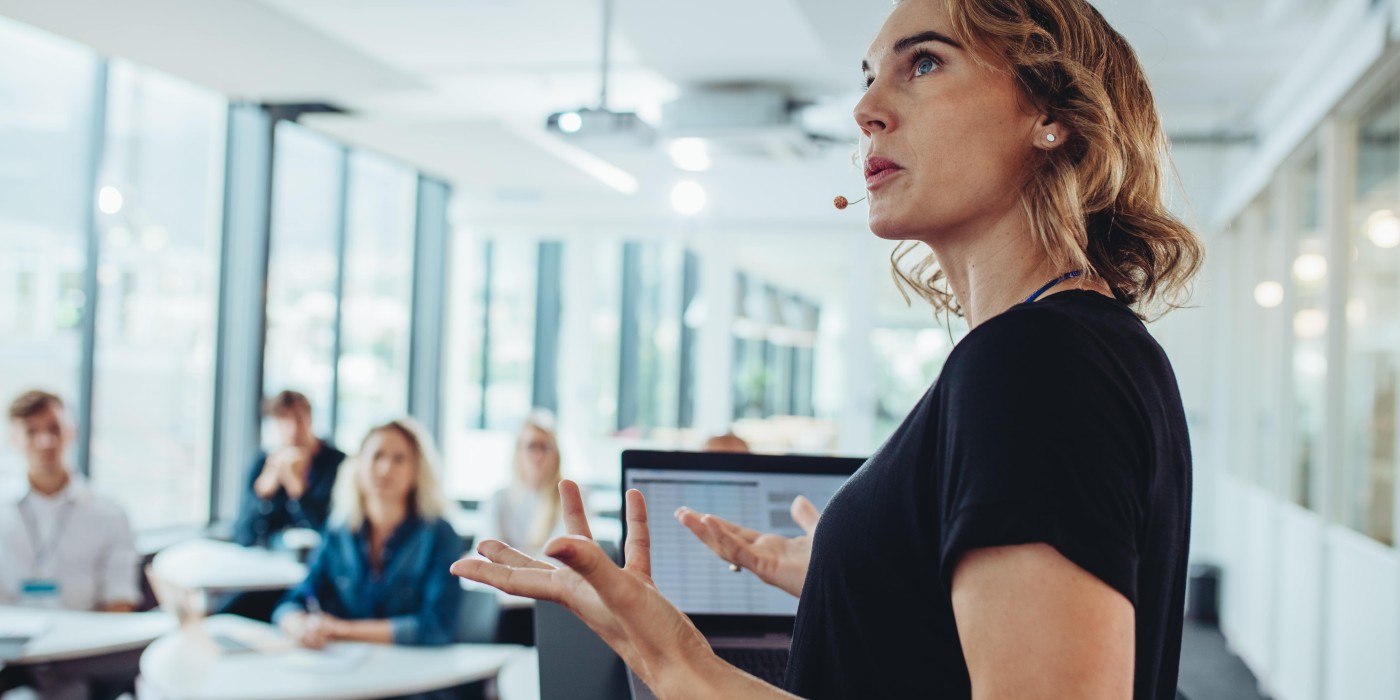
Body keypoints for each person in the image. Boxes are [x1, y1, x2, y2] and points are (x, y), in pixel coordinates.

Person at [452, 1, 1202, 699]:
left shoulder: (1033, 365)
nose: (866, 110)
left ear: (1050, 113)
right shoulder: (1081, 345)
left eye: (926, 63)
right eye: (871, 77)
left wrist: (672, 658)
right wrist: (866, 578)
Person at [273, 417, 463, 651]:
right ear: (359, 465)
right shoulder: (338, 531)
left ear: (416, 470)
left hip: (415, 674)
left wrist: (342, 630)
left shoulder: (439, 535)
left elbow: (437, 627)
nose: (385, 469)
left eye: (399, 459)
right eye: (377, 456)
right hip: (348, 670)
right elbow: (295, 600)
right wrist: (296, 624)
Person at [0, 390, 141, 700]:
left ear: (72, 431)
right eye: (32, 431)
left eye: (54, 429)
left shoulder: (109, 512)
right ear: (14, 438)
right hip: (10, 653)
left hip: (80, 652)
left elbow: (120, 600)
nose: (45, 442)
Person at [233, 390, 347, 548]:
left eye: (299, 419)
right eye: (284, 420)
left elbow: (336, 534)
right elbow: (242, 535)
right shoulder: (262, 463)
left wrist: (298, 491)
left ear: (311, 419)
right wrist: (263, 495)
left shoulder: (338, 464)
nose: (292, 428)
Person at [478, 410, 566, 556]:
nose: (538, 456)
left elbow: (566, 560)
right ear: (518, 451)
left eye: (544, 447)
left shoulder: (569, 498)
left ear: (556, 454)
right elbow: (487, 553)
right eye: (531, 446)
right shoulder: (499, 498)